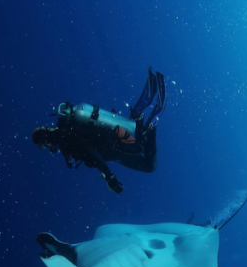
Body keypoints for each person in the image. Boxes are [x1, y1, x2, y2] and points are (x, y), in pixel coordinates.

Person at [32, 67, 166, 194]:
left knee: (148, 165)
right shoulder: (66, 127)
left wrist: (109, 175)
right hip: (114, 131)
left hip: (112, 145)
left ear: (45, 141)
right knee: (140, 148)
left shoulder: (65, 140)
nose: (46, 148)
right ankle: (138, 119)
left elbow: (90, 150)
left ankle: (150, 128)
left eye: (43, 146)